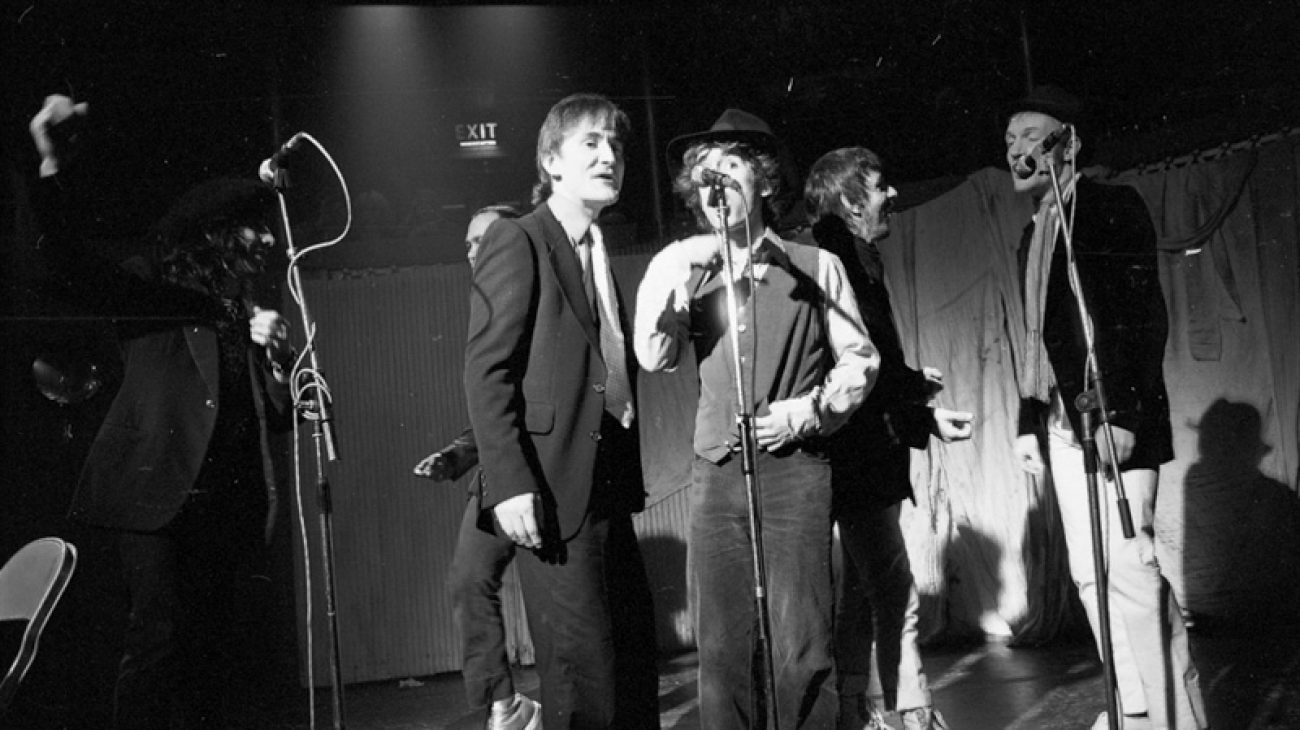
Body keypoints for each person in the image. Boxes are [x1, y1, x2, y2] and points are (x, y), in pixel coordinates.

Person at [28, 94, 296, 728]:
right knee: (159, 645)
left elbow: (275, 420)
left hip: (224, 509)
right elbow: (63, 258)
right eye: (253, 227)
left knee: (216, 657)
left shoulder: (246, 312)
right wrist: (49, 168)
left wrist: (279, 360)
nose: (266, 240)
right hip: (157, 501)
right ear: (216, 234)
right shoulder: (153, 290)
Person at [634, 109, 879, 730]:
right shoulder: (689, 270)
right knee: (721, 646)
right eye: (705, 174)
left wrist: (806, 413)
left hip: (794, 472)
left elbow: (859, 361)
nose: (717, 182)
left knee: (801, 641)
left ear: (765, 181)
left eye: (732, 167)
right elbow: (653, 355)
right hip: (718, 472)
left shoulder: (815, 265)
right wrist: (672, 275)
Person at [1004, 85, 1206, 730]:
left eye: (1029, 137)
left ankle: (1179, 714)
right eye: (1008, 141)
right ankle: (1133, 704)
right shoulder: (1031, 235)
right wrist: (1029, 423)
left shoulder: (1110, 206)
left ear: (1068, 143)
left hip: (1117, 417)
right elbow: (1038, 339)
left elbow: (1141, 317)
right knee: (1089, 573)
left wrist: (1123, 413)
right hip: (1063, 424)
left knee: (1130, 568)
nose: (1015, 151)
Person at [461, 93, 658, 729]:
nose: (609, 157)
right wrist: (510, 485)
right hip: (550, 492)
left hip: (609, 491)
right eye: (592, 145)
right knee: (583, 681)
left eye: (617, 147)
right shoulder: (518, 239)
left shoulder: (597, 250)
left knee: (630, 672)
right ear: (551, 160)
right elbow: (487, 372)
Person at [804, 147, 974, 730]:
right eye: (880, 186)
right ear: (851, 202)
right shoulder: (840, 257)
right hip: (859, 453)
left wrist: (915, 401)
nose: (892, 195)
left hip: (855, 450)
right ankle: (913, 713)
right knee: (892, 589)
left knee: (859, 588)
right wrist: (914, 406)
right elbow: (862, 358)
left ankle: (856, 711)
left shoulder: (847, 254)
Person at [412, 204, 544, 730]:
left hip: (546, 476)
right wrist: (454, 456)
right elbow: (492, 413)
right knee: (467, 580)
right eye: (467, 244)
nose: (472, 252)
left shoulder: (537, 301)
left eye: (482, 240)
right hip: (496, 480)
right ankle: (506, 707)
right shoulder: (485, 306)